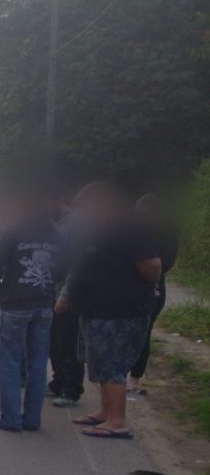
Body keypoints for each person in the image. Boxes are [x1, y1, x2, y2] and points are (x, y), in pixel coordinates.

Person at [59, 181, 162, 439]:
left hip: (119, 310)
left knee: (112, 364)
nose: (84, 212)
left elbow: (151, 264)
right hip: (99, 310)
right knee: (101, 364)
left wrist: (152, 286)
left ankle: (117, 421)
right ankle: (105, 412)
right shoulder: (102, 228)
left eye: (87, 206)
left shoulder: (128, 228)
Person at [0, 185, 64, 432]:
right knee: (38, 363)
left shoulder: (12, 231)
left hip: (14, 304)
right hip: (43, 304)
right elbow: (64, 267)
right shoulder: (56, 234)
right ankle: (32, 419)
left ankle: (10, 419)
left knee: (9, 361)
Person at [128, 193, 179, 394]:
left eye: (147, 214)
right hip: (128, 286)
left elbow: (168, 260)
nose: (144, 218)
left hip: (153, 287)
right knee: (125, 331)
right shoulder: (131, 229)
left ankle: (135, 378)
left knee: (144, 331)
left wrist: (149, 272)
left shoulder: (168, 232)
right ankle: (118, 374)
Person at [48, 187, 87, 407]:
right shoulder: (61, 222)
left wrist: (65, 295)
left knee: (68, 343)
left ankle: (71, 389)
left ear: (58, 198)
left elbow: (77, 264)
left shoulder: (77, 225)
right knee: (56, 342)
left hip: (69, 294)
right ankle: (58, 381)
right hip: (55, 290)